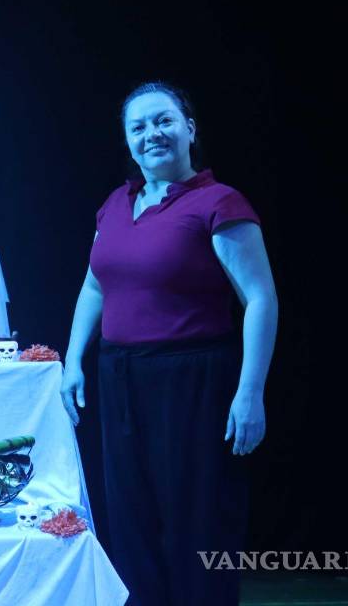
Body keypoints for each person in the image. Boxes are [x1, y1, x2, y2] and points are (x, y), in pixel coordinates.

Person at [60, 82, 278, 606]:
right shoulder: (116, 204)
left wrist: (250, 392)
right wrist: (73, 360)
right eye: (138, 127)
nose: (151, 134)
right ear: (127, 141)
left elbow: (261, 299)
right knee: (131, 516)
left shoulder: (218, 202)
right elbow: (94, 286)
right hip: (120, 376)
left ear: (189, 129)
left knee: (198, 519)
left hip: (192, 379)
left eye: (163, 121)